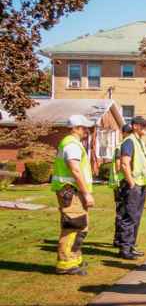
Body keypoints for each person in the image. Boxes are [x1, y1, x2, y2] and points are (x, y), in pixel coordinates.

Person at [51, 115, 95, 275]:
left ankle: (74, 258)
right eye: (84, 128)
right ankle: (65, 263)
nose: (87, 131)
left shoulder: (73, 143)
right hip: (70, 191)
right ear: (76, 128)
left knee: (81, 225)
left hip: (72, 190)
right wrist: (86, 193)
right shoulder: (72, 145)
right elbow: (75, 170)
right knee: (73, 225)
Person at [114, 116, 146, 260]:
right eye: (143, 125)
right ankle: (125, 249)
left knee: (136, 216)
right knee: (129, 217)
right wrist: (131, 183)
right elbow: (124, 163)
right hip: (133, 185)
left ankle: (131, 246)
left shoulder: (139, 142)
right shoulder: (129, 141)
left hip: (141, 184)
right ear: (135, 126)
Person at [110, 123, 132, 247]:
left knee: (122, 212)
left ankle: (120, 239)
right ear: (123, 133)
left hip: (120, 182)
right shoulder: (122, 146)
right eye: (128, 133)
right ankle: (119, 240)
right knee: (122, 213)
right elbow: (119, 166)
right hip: (121, 183)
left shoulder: (123, 145)